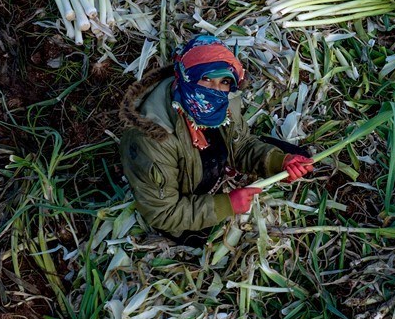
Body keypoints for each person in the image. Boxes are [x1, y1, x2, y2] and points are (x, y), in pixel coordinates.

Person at [119, 34, 314, 246]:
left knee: (297, 157)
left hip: (207, 163)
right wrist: (226, 205)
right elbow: (163, 213)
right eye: (206, 79)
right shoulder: (152, 141)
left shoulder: (225, 100)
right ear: (184, 77)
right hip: (184, 194)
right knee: (200, 238)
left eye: (224, 81)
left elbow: (240, 146)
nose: (215, 90)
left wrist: (279, 163)